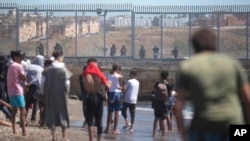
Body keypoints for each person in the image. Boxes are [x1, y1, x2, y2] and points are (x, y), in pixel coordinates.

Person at [175, 28, 250, 141]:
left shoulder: (187, 66)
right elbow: (248, 99)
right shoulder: (233, 63)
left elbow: (178, 105)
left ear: (194, 46)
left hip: (202, 126)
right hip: (233, 123)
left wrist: (183, 134)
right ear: (215, 43)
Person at [42, 50, 72, 141]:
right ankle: (64, 137)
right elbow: (67, 83)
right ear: (61, 57)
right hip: (62, 95)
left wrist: (45, 92)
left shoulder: (48, 70)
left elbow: (42, 83)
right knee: (63, 113)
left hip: (50, 95)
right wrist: (66, 93)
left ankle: (54, 137)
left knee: (51, 114)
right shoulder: (63, 69)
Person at [82, 58, 111, 141]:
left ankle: (91, 139)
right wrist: (109, 84)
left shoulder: (85, 75)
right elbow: (108, 85)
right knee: (99, 120)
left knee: (90, 121)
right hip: (98, 97)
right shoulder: (100, 74)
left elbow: (85, 87)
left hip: (89, 96)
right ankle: (98, 139)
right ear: (95, 63)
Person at [7, 50, 27, 136]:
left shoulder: (10, 66)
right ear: (15, 57)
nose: (22, 59)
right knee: (23, 111)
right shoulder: (19, 66)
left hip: (10, 91)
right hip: (18, 90)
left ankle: (14, 129)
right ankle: (24, 131)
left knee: (14, 111)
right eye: (20, 57)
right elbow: (24, 78)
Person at [104, 63, 123, 134]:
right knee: (117, 113)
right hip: (118, 94)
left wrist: (106, 93)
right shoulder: (120, 76)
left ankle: (107, 128)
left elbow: (107, 85)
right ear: (118, 69)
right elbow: (121, 87)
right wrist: (121, 88)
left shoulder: (109, 75)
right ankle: (115, 129)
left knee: (109, 112)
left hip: (111, 93)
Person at [25, 55, 44, 123]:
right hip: (36, 86)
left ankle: (25, 116)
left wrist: (27, 84)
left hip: (28, 86)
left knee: (27, 102)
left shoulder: (29, 66)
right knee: (35, 102)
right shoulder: (40, 69)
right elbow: (38, 79)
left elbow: (25, 75)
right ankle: (33, 117)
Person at [152, 70, 168, 137]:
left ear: (160, 76)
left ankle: (154, 133)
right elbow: (169, 95)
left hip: (157, 103)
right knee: (163, 118)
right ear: (166, 77)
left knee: (156, 118)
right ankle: (163, 134)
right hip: (164, 103)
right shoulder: (167, 85)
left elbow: (154, 92)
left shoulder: (158, 84)